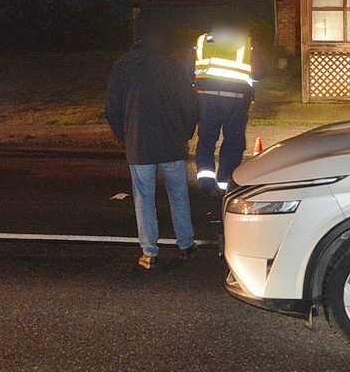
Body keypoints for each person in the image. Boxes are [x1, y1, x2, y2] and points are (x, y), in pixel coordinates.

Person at [105, 15, 200, 270]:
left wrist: (126, 136)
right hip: (171, 141)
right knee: (178, 195)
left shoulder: (123, 64)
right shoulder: (172, 64)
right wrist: (185, 133)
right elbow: (191, 104)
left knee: (143, 198)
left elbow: (112, 108)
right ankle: (186, 245)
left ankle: (150, 253)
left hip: (140, 142)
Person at [192, 15, 257, 196]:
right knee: (233, 141)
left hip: (205, 99)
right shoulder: (246, 42)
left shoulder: (202, 40)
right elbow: (260, 72)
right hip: (235, 99)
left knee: (206, 139)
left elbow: (189, 68)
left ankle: (206, 182)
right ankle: (225, 184)